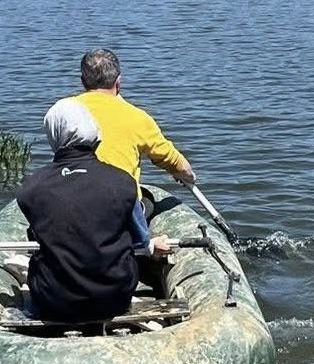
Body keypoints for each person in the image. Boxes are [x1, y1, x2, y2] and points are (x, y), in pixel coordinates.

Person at [16, 98, 169, 324]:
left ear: (54, 134)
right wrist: (151, 247)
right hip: (115, 297)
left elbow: (41, 237)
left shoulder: (30, 189)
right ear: (93, 134)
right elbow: (139, 242)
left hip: (54, 300)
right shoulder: (123, 182)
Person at [74, 48, 196, 245]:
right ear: (118, 81)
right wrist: (187, 176)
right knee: (147, 203)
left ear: (82, 81)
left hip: (71, 202)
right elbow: (173, 161)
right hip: (119, 207)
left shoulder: (66, 111)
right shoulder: (137, 117)